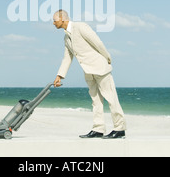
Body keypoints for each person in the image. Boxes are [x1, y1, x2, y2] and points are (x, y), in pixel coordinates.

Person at [52, 9, 126, 139]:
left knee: (111, 98)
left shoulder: (80, 27)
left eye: (54, 20)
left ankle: (119, 129)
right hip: (88, 71)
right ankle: (98, 129)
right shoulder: (66, 37)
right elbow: (67, 57)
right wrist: (59, 76)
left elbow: (97, 42)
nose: (53, 23)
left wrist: (107, 59)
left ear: (63, 19)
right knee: (95, 100)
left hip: (101, 68)